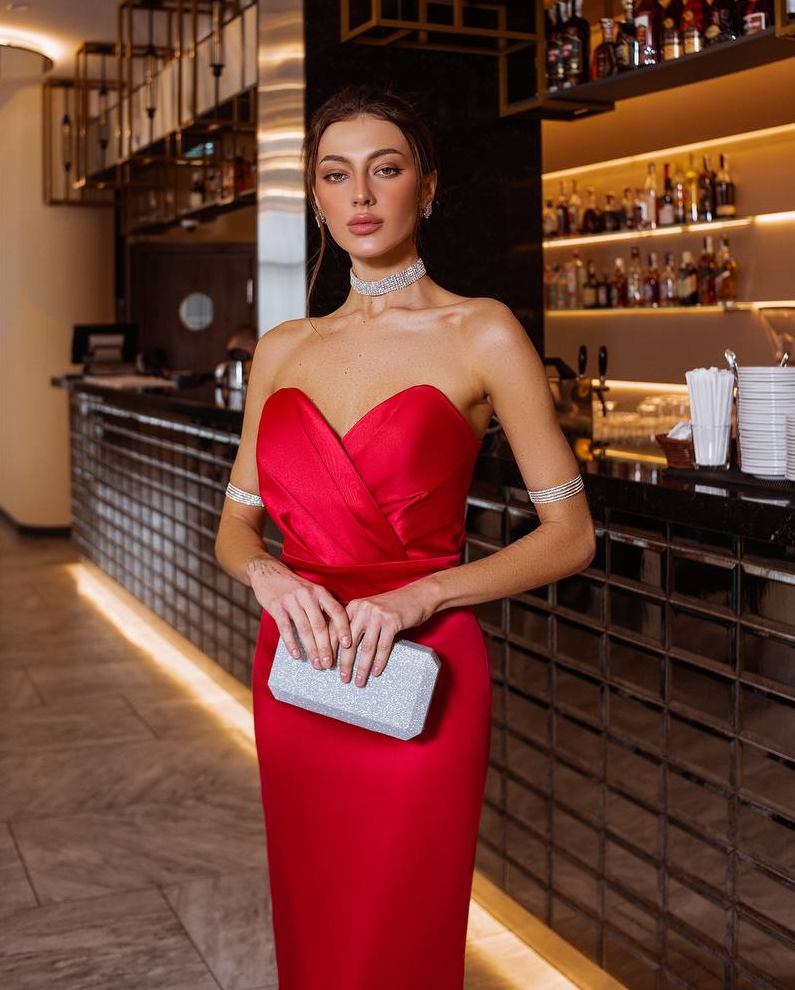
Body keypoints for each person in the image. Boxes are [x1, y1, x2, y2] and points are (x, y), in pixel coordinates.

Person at [214, 84, 596, 990]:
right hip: (299, 667)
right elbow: (234, 531)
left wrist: (423, 592)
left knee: (401, 929)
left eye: (385, 170)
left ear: (425, 188)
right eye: (336, 175)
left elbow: (571, 537)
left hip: (424, 671)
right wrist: (270, 578)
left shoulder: (483, 331)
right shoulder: (282, 348)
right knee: (315, 925)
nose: (361, 196)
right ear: (315, 197)